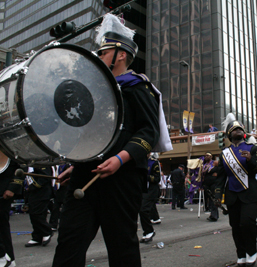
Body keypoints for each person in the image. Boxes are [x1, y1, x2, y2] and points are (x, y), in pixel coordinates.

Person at [52, 14, 171, 267]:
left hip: (121, 178)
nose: (99, 56)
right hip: (86, 173)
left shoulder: (137, 87)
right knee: (69, 244)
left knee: (122, 248)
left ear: (121, 55)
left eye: (104, 51)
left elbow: (148, 132)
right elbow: (92, 136)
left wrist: (120, 159)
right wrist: (77, 163)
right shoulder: (95, 92)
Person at [215, 115, 257, 267]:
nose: (237, 130)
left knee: (247, 223)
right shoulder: (225, 153)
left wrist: (251, 160)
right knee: (236, 226)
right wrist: (218, 194)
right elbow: (221, 177)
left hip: (251, 193)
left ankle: (252, 251)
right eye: (234, 128)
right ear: (229, 134)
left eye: (240, 128)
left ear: (243, 132)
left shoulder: (253, 148)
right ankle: (241, 254)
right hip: (232, 195)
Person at [0, 155, 23, 267]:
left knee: (2, 225)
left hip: (3, 190)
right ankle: (6, 257)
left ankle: (4, 257)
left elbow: (21, 168)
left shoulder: (10, 144)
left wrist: (12, 188)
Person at [25, 167, 54, 248]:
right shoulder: (27, 164)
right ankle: (37, 236)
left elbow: (45, 177)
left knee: (36, 214)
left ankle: (47, 231)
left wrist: (33, 186)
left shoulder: (41, 162)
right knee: (33, 214)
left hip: (41, 193)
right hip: (33, 193)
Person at [139, 153, 161, 243]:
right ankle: (147, 231)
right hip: (141, 190)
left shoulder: (153, 163)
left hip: (151, 190)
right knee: (141, 210)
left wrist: (145, 177)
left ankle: (149, 231)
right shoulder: (139, 162)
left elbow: (157, 178)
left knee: (143, 210)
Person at [49, 164, 70, 231]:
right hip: (57, 190)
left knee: (65, 208)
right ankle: (53, 224)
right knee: (55, 208)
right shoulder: (55, 167)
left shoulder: (67, 166)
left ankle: (65, 224)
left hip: (64, 189)